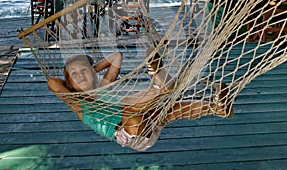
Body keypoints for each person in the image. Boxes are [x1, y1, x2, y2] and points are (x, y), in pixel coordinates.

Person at [47, 48, 233, 151]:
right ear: (69, 83)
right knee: (126, 105)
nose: (80, 74)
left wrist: (92, 70)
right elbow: (52, 82)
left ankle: (216, 108)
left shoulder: (104, 85)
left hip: (147, 121)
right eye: (74, 74)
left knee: (172, 109)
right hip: (130, 133)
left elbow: (117, 57)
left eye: (83, 70)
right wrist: (77, 80)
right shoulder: (78, 105)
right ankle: (160, 87)